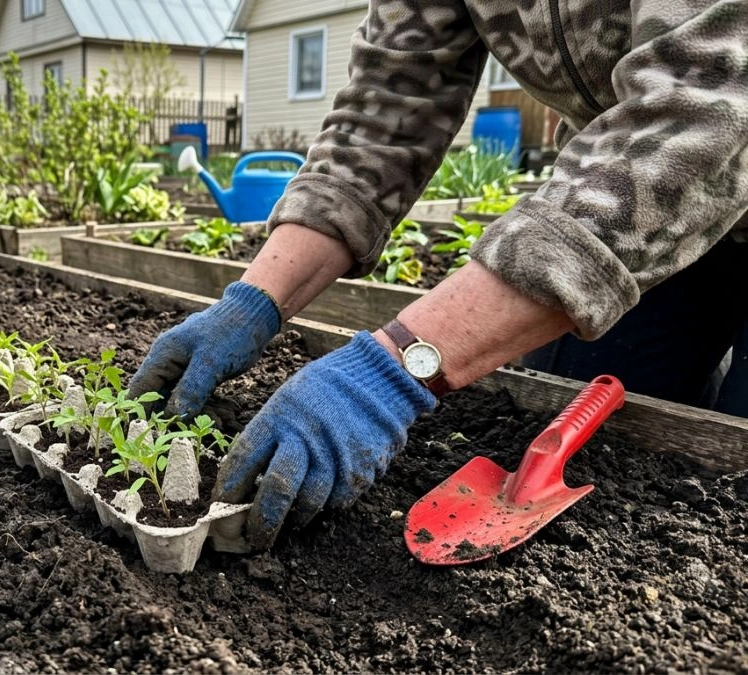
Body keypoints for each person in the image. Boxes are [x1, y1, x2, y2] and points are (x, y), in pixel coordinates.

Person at [128, 0, 748, 550]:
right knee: (621, 432)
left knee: (728, 490)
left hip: (687, 160)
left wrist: (396, 365)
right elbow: (384, 119)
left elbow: (710, 111)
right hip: (631, 202)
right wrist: (255, 300)